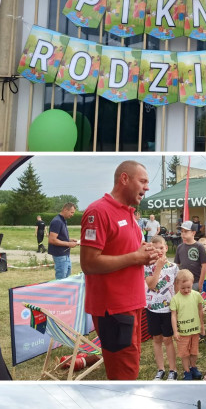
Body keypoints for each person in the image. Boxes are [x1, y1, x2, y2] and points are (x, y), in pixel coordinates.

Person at [80, 161, 157, 380]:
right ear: (124, 179)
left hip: (132, 304)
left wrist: (144, 254)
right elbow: (89, 263)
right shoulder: (99, 211)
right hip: (113, 309)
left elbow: (127, 253)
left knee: (130, 369)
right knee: (123, 375)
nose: (147, 187)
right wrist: (136, 257)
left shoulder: (130, 214)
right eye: (142, 181)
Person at [145, 235, 179, 381]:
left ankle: (173, 370)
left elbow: (176, 287)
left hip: (168, 310)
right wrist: (158, 267)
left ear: (166, 248)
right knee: (157, 339)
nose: (159, 251)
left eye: (161, 247)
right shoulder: (147, 266)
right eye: (155, 248)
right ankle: (160, 369)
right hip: (152, 308)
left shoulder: (173, 267)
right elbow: (151, 285)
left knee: (168, 339)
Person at [170, 269, 205, 380]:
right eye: (183, 288)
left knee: (194, 351)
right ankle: (187, 371)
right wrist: (175, 331)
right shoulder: (175, 299)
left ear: (192, 283)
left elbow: (200, 311)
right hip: (182, 332)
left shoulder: (197, 295)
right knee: (184, 353)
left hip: (195, 330)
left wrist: (202, 326)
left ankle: (193, 367)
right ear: (177, 285)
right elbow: (174, 316)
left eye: (189, 287)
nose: (186, 290)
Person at [47, 202, 79, 280]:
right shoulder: (57, 221)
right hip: (60, 255)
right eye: (71, 212)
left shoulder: (63, 220)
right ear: (65, 210)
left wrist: (70, 240)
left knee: (67, 279)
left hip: (65, 255)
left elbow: (60, 237)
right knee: (61, 280)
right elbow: (52, 240)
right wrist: (69, 244)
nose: (72, 215)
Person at [174, 220, 206, 289]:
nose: (183, 234)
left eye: (186, 231)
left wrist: (200, 284)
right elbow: (176, 266)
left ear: (193, 232)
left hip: (195, 282)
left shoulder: (199, 246)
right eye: (182, 231)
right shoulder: (180, 247)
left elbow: (204, 266)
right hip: (182, 283)